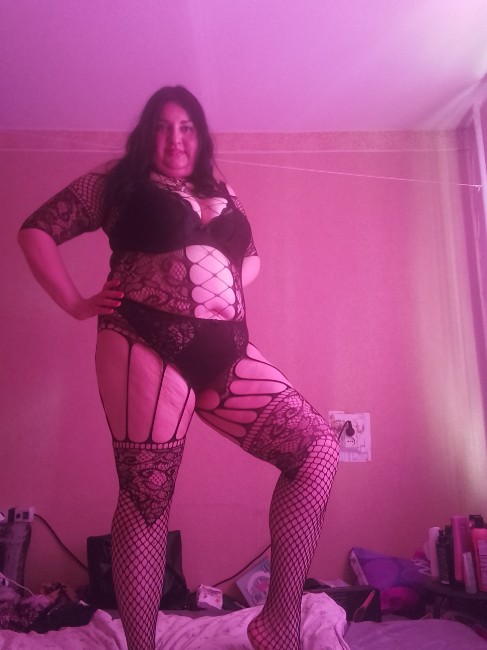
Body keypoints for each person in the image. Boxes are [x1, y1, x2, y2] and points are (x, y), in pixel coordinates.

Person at [18, 85, 340, 650]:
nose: (175, 138)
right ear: (148, 134)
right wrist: (75, 303)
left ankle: (278, 620)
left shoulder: (221, 188)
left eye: (186, 126)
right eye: (163, 127)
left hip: (226, 348)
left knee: (316, 449)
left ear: (200, 135)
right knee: (147, 493)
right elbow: (36, 230)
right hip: (141, 334)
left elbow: (251, 258)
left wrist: (219, 285)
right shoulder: (118, 181)